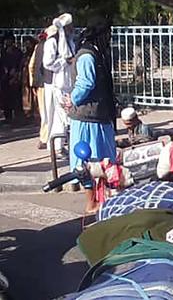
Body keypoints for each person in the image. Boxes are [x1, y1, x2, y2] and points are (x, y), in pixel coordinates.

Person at [64, 16, 117, 210]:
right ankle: (91, 203)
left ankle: (102, 199)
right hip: (88, 119)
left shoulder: (94, 53)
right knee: (90, 161)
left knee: (102, 160)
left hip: (97, 117)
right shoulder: (87, 55)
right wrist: (73, 98)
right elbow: (86, 83)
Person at [43, 13, 76, 141]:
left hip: (70, 83)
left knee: (63, 116)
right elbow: (47, 63)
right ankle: (58, 144)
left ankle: (60, 145)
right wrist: (65, 62)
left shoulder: (70, 41)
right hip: (59, 83)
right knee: (60, 115)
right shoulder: (52, 42)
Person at [29, 30, 51, 148]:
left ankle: (44, 137)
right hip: (51, 83)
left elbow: (31, 66)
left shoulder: (38, 47)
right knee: (51, 112)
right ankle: (47, 137)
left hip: (40, 84)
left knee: (44, 112)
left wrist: (33, 83)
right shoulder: (53, 45)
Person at [0, 35, 23, 124]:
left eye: (8, 40)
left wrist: (16, 71)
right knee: (5, 98)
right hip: (4, 77)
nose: (6, 42)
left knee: (15, 97)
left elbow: (20, 63)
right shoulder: (3, 51)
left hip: (14, 77)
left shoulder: (17, 52)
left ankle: (17, 116)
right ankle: (7, 116)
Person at [21, 37, 38, 121]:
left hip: (33, 77)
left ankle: (35, 113)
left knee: (34, 95)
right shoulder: (25, 54)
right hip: (25, 77)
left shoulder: (34, 53)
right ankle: (27, 112)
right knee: (26, 94)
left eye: (28, 43)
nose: (27, 45)